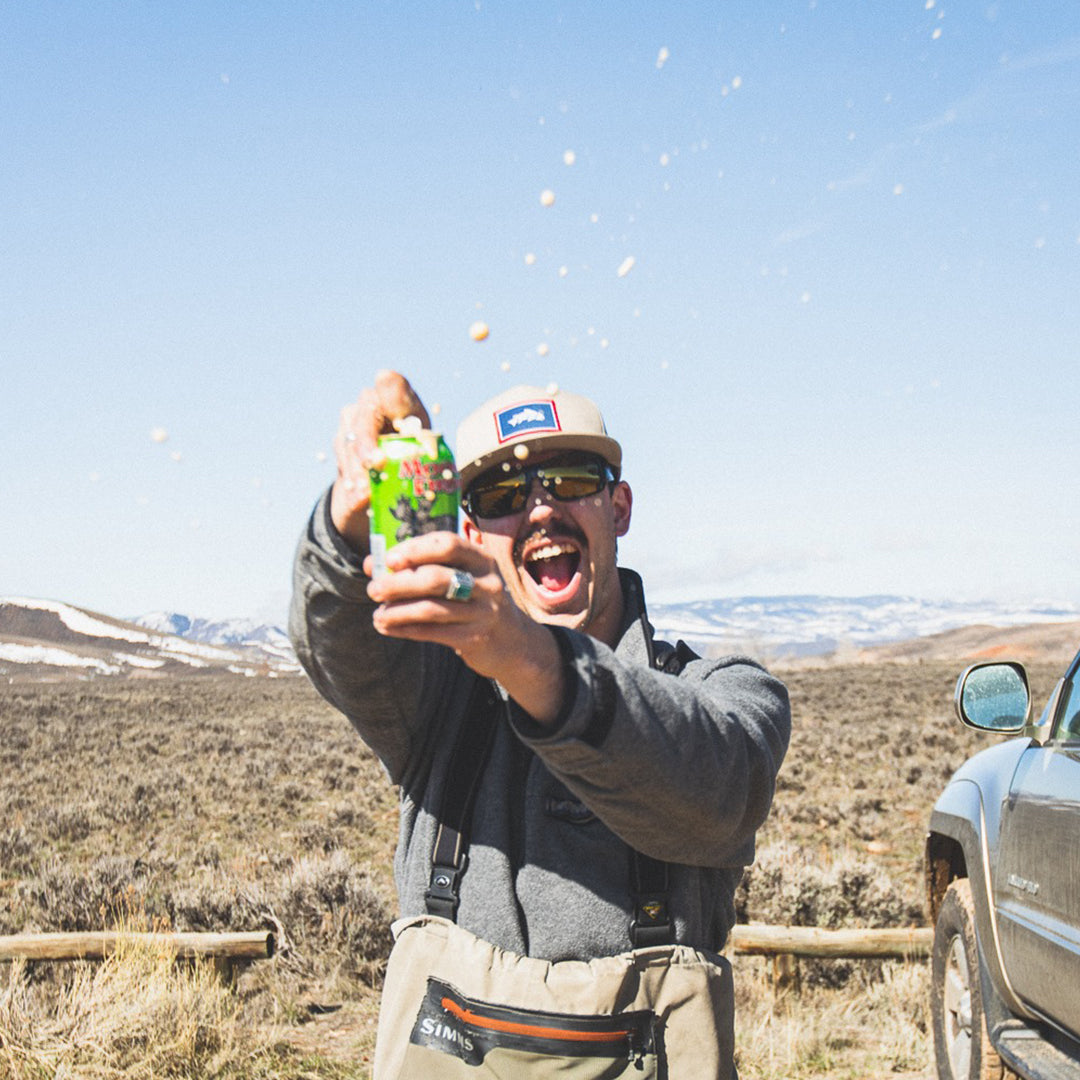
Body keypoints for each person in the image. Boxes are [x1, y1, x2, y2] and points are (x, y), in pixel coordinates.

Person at [289, 370, 790, 1079]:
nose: (541, 509)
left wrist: (530, 657)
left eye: (571, 480)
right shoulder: (436, 699)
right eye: (502, 494)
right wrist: (344, 529)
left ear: (618, 507)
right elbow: (338, 638)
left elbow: (721, 790)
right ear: (470, 530)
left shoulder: (720, 691)